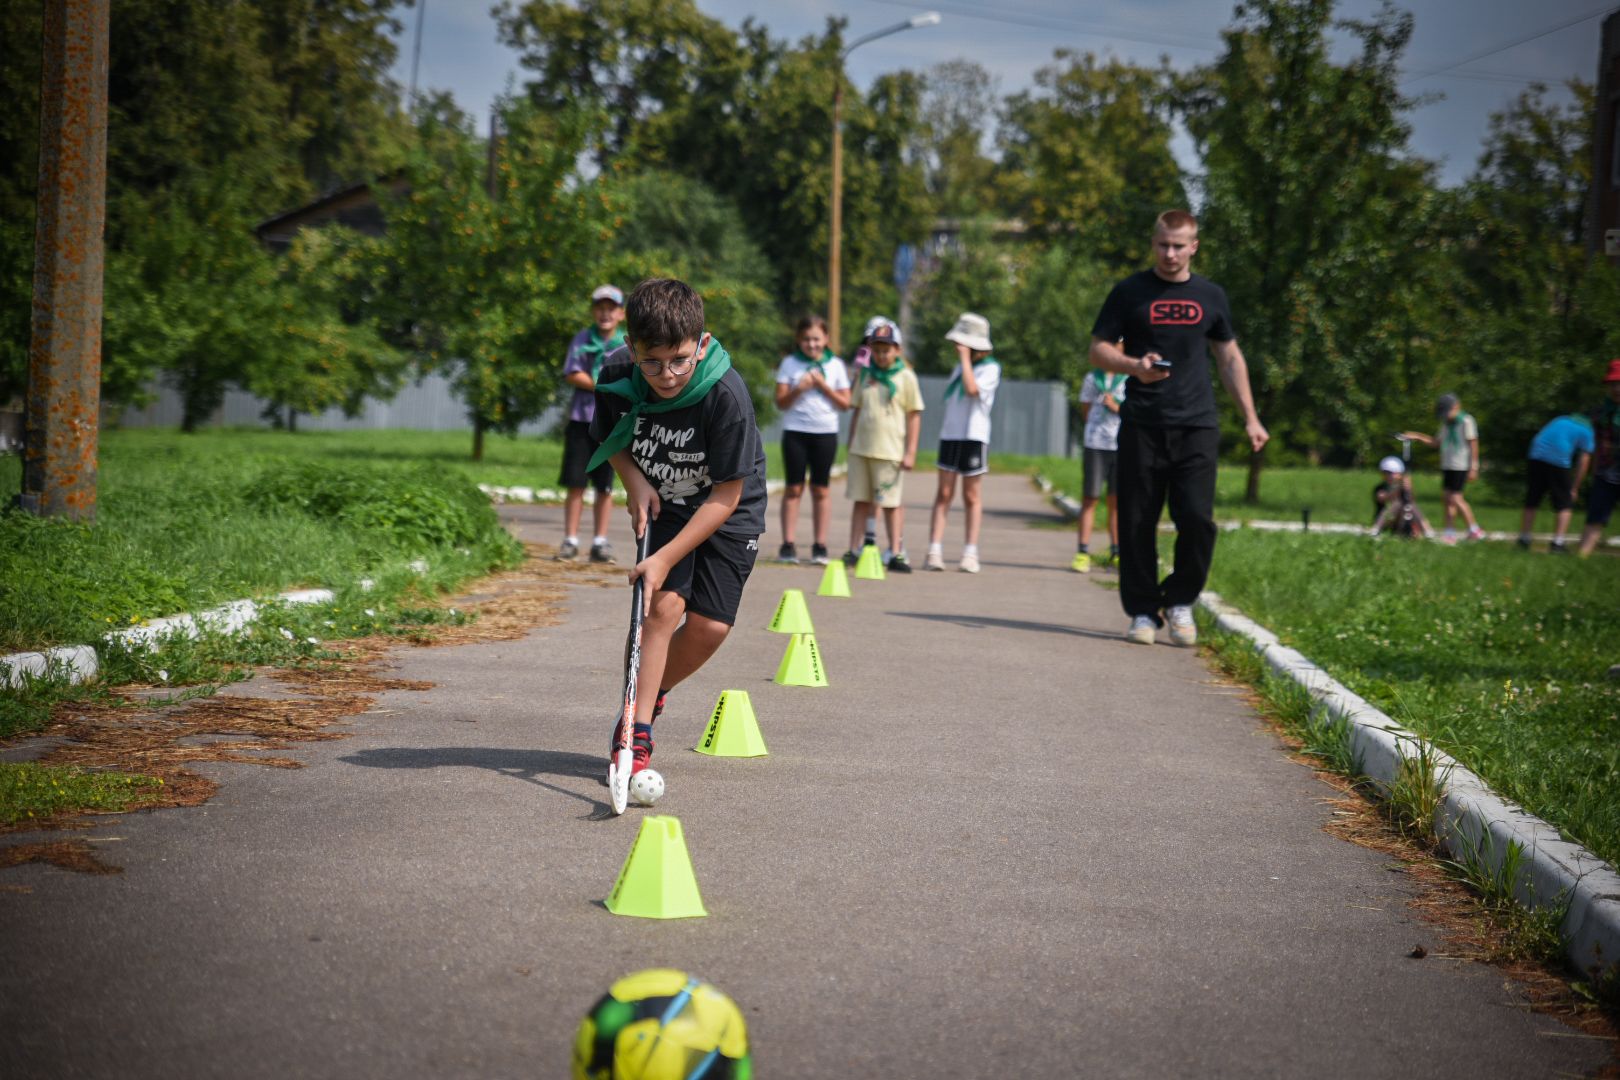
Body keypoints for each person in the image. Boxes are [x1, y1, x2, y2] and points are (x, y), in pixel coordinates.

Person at [588, 278, 768, 777]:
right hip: (666, 501)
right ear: (632, 348)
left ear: (701, 345)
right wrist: (634, 482)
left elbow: (727, 495)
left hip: (727, 505)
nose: (666, 375)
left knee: (710, 627)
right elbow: (607, 437)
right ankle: (635, 727)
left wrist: (663, 557)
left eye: (680, 361)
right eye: (652, 362)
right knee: (662, 608)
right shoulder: (616, 374)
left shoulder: (726, 395)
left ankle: (654, 689)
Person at [1088, 209, 1268, 647]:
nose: (1170, 254)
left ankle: (1181, 600)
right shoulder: (1129, 291)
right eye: (1163, 245)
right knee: (1136, 520)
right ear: (1153, 243)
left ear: (1194, 247)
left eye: (1178, 246)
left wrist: (1250, 416)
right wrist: (1135, 365)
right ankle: (1143, 612)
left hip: (1197, 424)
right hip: (1142, 422)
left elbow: (1229, 358)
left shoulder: (1211, 295)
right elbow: (1097, 350)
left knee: (1196, 519)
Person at [843, 320, 923, 572]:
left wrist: (910, 452)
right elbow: (857, 409)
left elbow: (914, 415)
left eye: (886, 350)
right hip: (862, 449)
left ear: (897, 350)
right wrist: (851, 441)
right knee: (860, 500)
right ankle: (854, 549)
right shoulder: (865, 375)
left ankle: (896, 552)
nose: (881, 355)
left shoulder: (906, 377)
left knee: (890, 503)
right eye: (876, 350)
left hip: (889, 452)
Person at [773, 315, 851, 565]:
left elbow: (845, 403)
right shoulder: (789, 363)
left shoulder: (836, 365)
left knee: (821, 489)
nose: (812, 344)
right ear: (799, 339)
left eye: (817, 339)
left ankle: (820, 545)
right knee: (793, 488)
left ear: (826, 339)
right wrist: (800, 388)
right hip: (796, 431)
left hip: (825, 432)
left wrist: (824, 386)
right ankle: (788, 544)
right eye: (806, 339)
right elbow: (781, 402)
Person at [925, 314, 1001, 573]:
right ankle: (934, 549)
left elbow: (971, 389)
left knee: (971, 495)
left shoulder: (990, 368)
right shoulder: (960, 366)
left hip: (974, 435)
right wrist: (964, 361)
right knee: (944, 493)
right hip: (951, 434)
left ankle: (970, 552)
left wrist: (965, 360)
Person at [555, 284, 626, 562]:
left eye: (611, 308)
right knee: (576, 482)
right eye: (600, 308)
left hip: (610, 423)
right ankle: (570, 539)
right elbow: (572, 372)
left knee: (605, 485)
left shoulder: (626, 343)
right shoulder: (582, 339)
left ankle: (600, 541)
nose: (605, 313)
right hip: (581, 420)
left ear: (621, 314)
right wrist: (602, 385)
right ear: (593, 311)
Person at [1401, 394, 1484, 543]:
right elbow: (1436, 442)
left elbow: (1473, 444)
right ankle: (1449, 531)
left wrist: (1474, 466)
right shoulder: (1446, 424)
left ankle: (1474, 529)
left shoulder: (1466, 421)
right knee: (1447, 498)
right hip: (1448, 465)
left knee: (1456, 498)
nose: (1445, 416)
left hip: (1460, 465)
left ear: (1456, 407)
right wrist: (1417, 436)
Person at [1073, 363, 1128, 572]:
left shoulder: (1128, 378)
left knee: (1116, 502)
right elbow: (1085, 409)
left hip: (1120, 444)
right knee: (1090, 498)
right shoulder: (1092, 378)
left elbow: (1133, 411)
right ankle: (1082, 552)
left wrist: (1116, 407)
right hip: (1095, 443)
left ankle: (1116, 552)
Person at [1519, 412, 1593, 553]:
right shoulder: (1587, 430)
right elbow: (1584, 460)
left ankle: (1524, 538)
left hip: (1536, 455)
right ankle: (1558, 543)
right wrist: (1575, 488)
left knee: (1532, 499)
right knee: (1565, 503)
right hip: (1559, 460)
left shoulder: (1561, 419)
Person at [1577, 359, 1620, 557]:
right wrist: (1595, 471)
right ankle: (1582, 556)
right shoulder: (1600, 413)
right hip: (1605, 473)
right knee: (1595, 517)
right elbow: (1596, 445)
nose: (1617, 389)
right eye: (1613, 384)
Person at [1371, 456, 1433, 539]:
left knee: (1411, 505)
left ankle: (1427, 531)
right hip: (1387, 520)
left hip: (1401, 520)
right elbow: (1382, 498)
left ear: (1399, 474)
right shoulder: (1380, 487)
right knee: (1398, 503)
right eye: (1386, 473)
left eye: (1391, 473)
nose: (1389, 476)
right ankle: (1376, 529)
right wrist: (1399, 489)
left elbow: (1411, 501)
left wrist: (1409, 489)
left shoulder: (1403, 487)